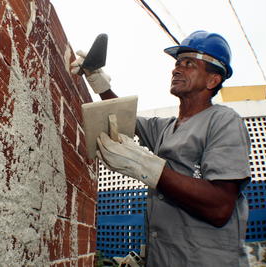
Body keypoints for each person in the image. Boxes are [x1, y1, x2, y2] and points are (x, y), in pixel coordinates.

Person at [71, 30, 251, 266]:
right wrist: (97, 80)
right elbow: (124, 118)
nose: (176, 69)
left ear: (212, 80)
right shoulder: (165, 128)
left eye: (189, 63)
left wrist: (146, 166)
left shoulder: (224, 121)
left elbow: (220, 207)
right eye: (177, 63)